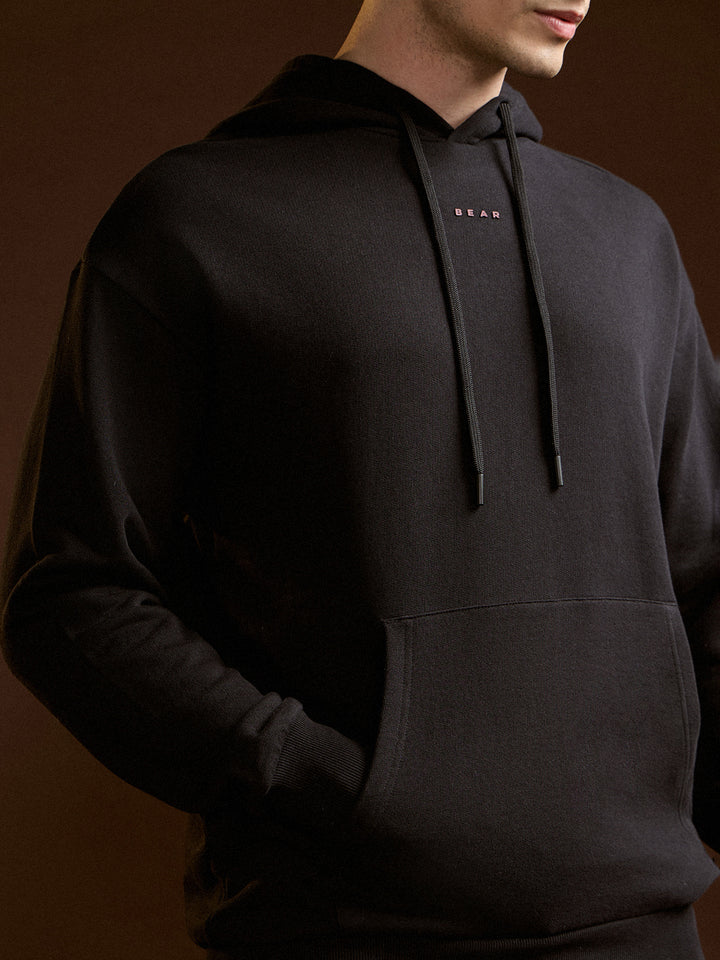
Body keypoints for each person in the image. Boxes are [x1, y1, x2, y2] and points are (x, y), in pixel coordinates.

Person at [2, 0, 720, 957]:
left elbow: (708, 570)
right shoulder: (198, 217)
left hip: (641, 928)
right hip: (341, 926)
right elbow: (70, 590)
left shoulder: (629, 234)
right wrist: (312, 778)